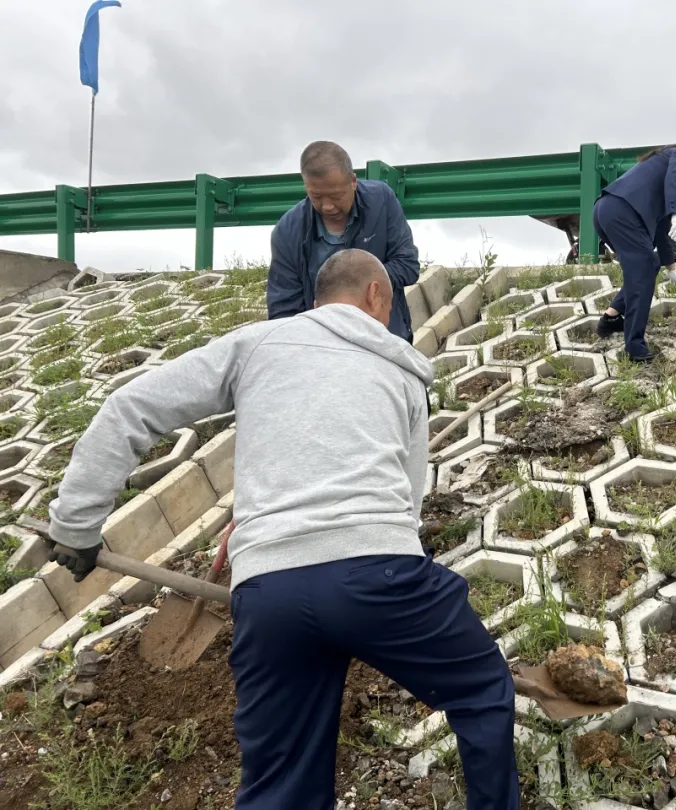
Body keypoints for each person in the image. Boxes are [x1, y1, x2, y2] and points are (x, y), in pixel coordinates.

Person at [44, 250, 518, 810]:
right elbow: (407, 503)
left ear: (318, 298)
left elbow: (128, 409)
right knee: (484, 693)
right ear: (375, 297)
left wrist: (75, 526)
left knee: (282, 783)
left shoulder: (258, 344)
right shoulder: (401, 370)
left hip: (268, 591)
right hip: (379, 574)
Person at [267, 141, 422, 344]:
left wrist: (357, 292)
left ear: (353, 181)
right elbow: (283, 310)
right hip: (322, 350)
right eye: (316, 197)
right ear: (306, 187)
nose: (328, 206)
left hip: (387, 340)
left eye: (336, 196)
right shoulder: (287, 231)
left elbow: (408, 265)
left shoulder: (382, 201)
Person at [593, 141, 676, 362]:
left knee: (647, 266)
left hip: (608, 211)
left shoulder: (666, 167)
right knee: (642, 273)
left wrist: (671, 267)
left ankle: (610, 319)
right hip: (623, 212)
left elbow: (661, 228)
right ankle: (634, 349)